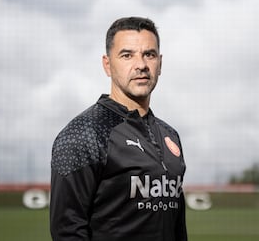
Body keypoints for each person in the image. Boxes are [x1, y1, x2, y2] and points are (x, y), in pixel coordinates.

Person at [50, 17, 187, 241]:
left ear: (159, 64)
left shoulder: (170, 135)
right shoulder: (83, 133)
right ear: (107, 64)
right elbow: (67, 231)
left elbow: (178, 228)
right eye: (127, 55)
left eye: (149, 54)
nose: (141, 64)